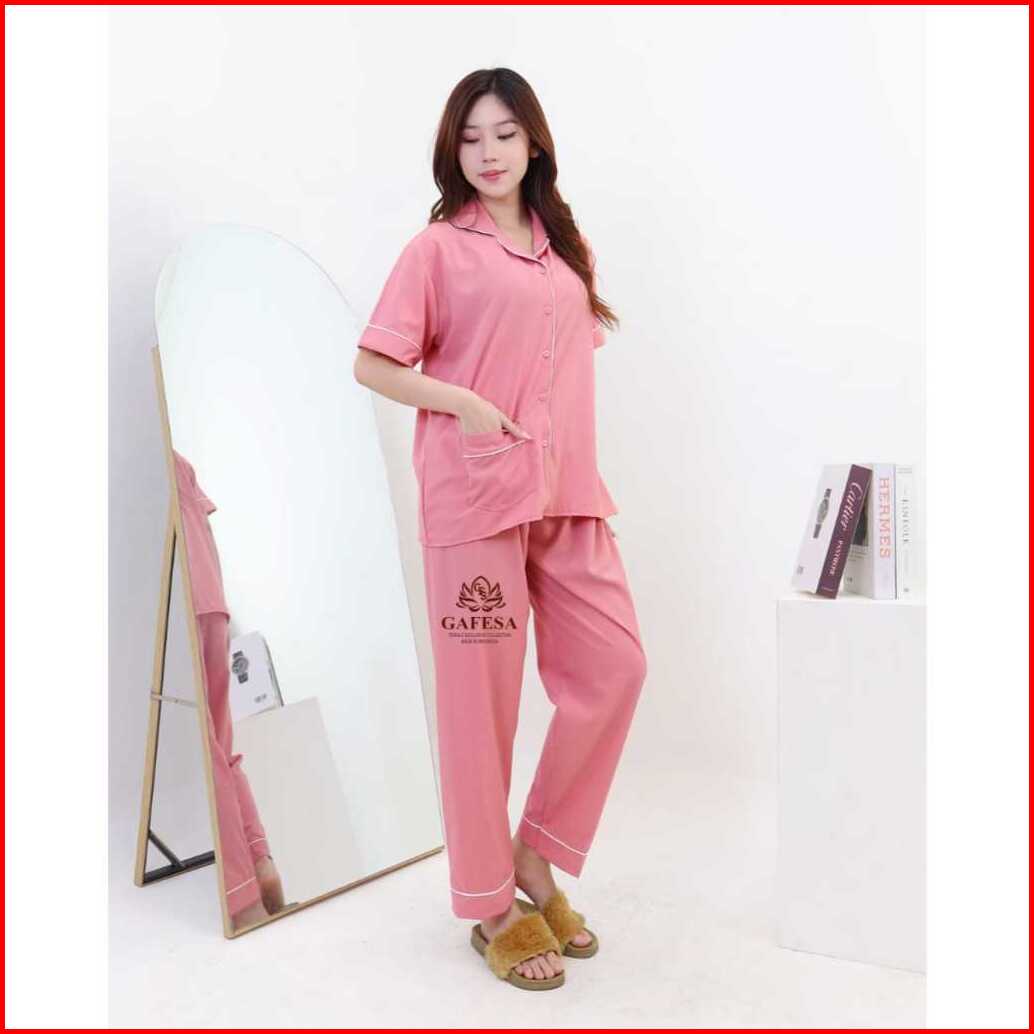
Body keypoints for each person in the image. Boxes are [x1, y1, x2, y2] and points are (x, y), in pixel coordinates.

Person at [353, 68, 647, 990]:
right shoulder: (436, 250)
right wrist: (465, 404)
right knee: (481, 710)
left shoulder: (564, 246)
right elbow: (373, 363)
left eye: (505, 134)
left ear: (534, 143)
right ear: (454, 148)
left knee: (617, 667)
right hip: (476, 495)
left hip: (568, 493)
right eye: (472, 136)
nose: (488, 152)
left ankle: (535, 852)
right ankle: (488, 905)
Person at [172, 450, 287, 931]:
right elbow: (206, 530)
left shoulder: (149, 456)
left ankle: (242, 898)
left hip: (185, 602)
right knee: (220, 745)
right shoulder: (180, 463)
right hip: (212, 603)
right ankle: (259, 858)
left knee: (208, 749)